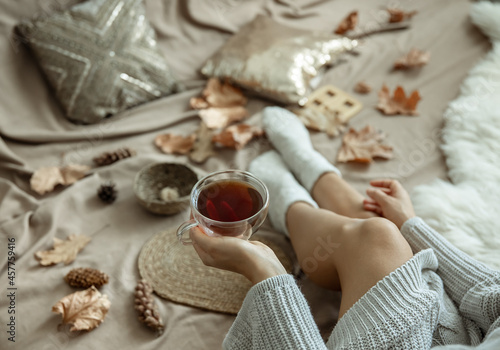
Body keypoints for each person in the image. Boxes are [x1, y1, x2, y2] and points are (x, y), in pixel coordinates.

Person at [190, 107, 500, 349]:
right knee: (381, 231)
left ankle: (293, 206)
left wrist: (267, 273)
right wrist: (409, 224)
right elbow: (492, 298)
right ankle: (311, 169)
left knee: (376, 235)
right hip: (458, 331)